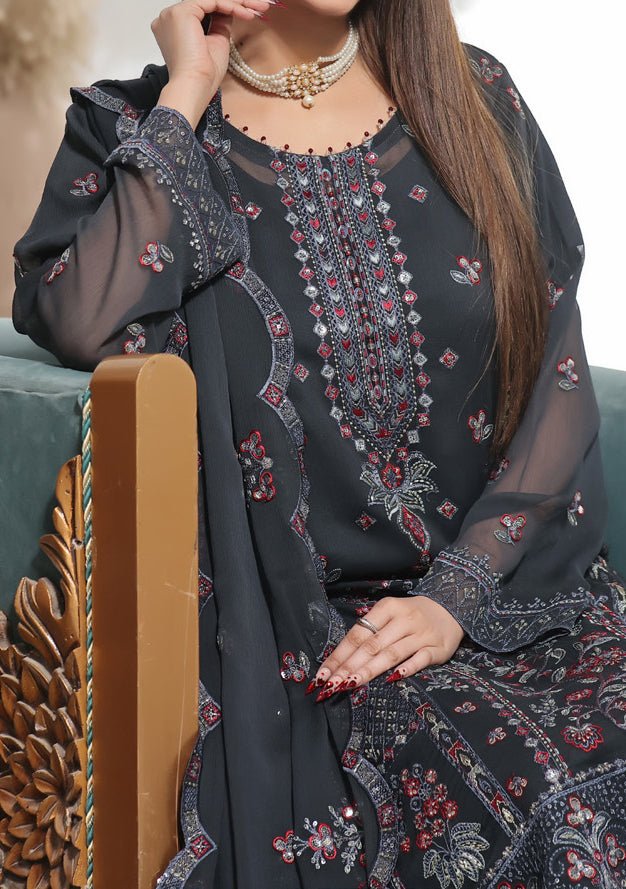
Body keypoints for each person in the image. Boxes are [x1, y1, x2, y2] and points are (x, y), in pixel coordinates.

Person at [11, 1, 626, 886]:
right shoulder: (140, 131)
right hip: (315, 649)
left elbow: (555, 372)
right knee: (561, 814)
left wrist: (457, 594)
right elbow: (79, 316)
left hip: (509, 600)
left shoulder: (475, 97)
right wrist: (188, 90)